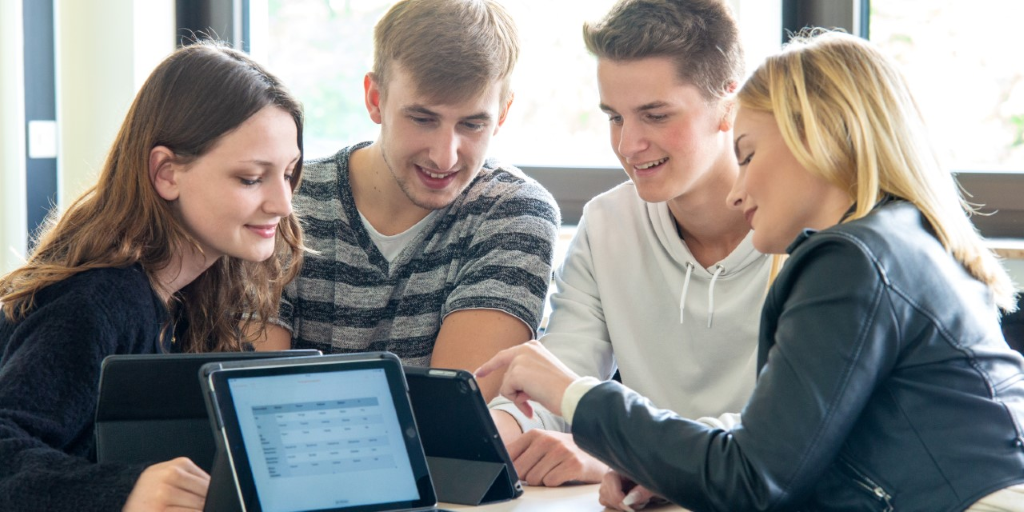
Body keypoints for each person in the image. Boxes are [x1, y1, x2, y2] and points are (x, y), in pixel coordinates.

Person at [478, 31, 1024, 511]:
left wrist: (573, 394)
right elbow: (791, 454)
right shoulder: (901, 239)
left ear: (814, 140)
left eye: (747, 155)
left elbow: (752, 480)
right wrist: (671, 469)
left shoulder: (850, 259)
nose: (738, 192)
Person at [0, 41, 305, 512]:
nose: (283, 203)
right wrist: (123, 491)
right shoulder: (96, 302)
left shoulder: (195, 293)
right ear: (166, 172)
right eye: (251, 178)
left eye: (288, 174)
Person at [488, 0, 772, 488]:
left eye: (655, 115)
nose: (627, 145)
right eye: (615, 117)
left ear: (729, 105)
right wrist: (496, 431)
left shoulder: (800, 233)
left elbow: (785, 435)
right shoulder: (607, 224)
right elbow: (562, 375)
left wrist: (626, 458)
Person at [258, 0, 560, 402]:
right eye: (422, 119)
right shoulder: (285, 199)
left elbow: (453, 413)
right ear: (375, 98)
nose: (444, 157)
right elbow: (256, 399)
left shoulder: (513, 214)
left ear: (502, 114)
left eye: (472, 124)